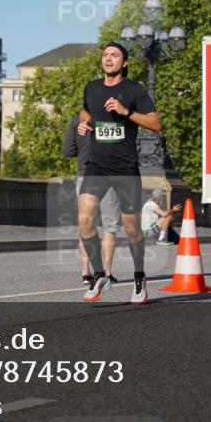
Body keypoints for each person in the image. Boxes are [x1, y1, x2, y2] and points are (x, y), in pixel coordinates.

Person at [78, 42, 162, 303]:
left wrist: (127, 112)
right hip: (97, 166)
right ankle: (100, 274)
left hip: (125, 168)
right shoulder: (92, 88)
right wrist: (84, 124)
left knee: (132, 229)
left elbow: (156, 123)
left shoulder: (134, 90)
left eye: (114, 55)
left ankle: (139, 277)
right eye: (105, 55)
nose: (108, 58)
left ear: (124, 63)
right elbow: (86, 111)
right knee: (84, 220)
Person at [62, 114, 119, 285]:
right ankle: (107, 273)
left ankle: (86, 273)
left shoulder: (76, 120)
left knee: (86, 226)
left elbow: (67, 151)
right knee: (110, 226)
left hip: (85, 175)